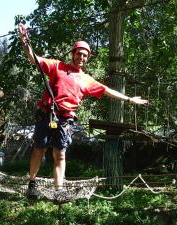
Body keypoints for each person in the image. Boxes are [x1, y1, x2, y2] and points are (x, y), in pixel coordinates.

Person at [18, 23, 148, 201]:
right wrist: (25, 42)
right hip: (47, 113)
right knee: (39, 149)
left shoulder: (87, 80)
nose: (81, 57)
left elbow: (107, 90)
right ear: (73, 54)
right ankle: (32, 183)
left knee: (60, 154)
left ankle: (59, 190)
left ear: (87, 59)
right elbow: (35, 59)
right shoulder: (58, 66)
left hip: (65, 119)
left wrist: (128, 99)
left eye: (85, 55)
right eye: (79, 53)